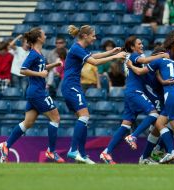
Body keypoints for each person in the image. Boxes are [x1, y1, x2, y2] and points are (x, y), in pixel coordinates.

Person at [0, 27, 65, 163]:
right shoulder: (33, 54)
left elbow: (41, 68)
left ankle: (6, 145)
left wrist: (53, 64)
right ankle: (51, 152)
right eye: (43, 34)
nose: (45, 35)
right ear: (39, 38)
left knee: (28, 122)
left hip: (34, 92)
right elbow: (23, 70)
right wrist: (39, 74)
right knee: (56, 118)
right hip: (38, 92)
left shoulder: (38, 54)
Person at [62, 25, 126, 164]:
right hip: (71, 86)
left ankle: (83, 155)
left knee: (83, 121)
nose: (95, 38)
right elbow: (95, 62)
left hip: (71, 86)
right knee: (85, 116)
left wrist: (110, 52)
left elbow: (93, 56)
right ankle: (73, 150)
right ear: (85, 36)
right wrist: (115, 56)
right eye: (93, 35)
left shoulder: (79, 48)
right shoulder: (77, 48)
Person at [100, 36, 169, 164]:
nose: (142, 45)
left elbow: (146, 72)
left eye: (142, 43)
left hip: (130, 93)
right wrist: (161, 56)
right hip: (134, 92)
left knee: (125, 125)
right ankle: (133, 136)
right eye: (139, 43)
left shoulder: (135, 62)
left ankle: (106, 152)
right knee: (154, 113)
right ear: (132, 47)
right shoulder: (133, 56)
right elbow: (145, 59)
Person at [127, 50, 174, 165]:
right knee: (159, 123)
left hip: (171, 95)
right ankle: (146, 157)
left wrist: (130, 65)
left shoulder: (158, 61)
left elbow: (140, 71)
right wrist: (162, 80)